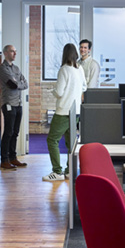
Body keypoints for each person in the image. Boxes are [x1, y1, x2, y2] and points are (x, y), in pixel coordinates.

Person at [44, 43, 86, 182]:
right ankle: (69, 171)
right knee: (71, 143)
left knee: (52, 140)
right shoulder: (79, 68)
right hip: (76, 111)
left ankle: (57, 172)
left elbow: (60, 92)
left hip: (63, 111)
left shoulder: (64, 70)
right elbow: (84, 87)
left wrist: (53, 91)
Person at [0, 44, 29, 171]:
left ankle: (12, 158)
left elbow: (25, 84)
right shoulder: (2, 69)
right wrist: (18, 83)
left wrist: (18, 83)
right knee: (8, 132)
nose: (15, 54)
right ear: (5, 53)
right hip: (9, 104)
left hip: (18, 104)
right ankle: (4, 160)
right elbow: (12, 85)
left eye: (15, 51)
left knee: (15, 132)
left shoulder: (16, 68)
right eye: (12, 51)